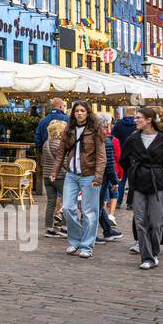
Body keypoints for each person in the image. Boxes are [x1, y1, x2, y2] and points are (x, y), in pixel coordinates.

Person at [121, 105, 163, 270]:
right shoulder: (133, 139)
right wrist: (134, 170)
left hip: (157, 183)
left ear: (149, 120)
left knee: (156, 221)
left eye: (138, 118)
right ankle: (146, 256)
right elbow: (123, 159)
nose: (135, 120)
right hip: (139, 182)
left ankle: (154, 251)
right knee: (140, 220)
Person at [54, 101, 107, 258]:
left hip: (89, 175)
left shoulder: (96, 130)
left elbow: (101, 156)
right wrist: (55, 171)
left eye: (82, 110)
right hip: (72, 174)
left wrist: (98, 176)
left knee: (90, 212)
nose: (79, 113)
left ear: (87, 113)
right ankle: (75, 240)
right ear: (73, 113)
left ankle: (86, 246)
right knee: (68, 208)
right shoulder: (69, 130)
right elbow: (61, 152)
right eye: (77, 111)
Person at [96, 113, 124, 241]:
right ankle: (99, 233)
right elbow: (110, 163)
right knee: (97, 206)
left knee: (96, 206)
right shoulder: (108, 141)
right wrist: (115, 181)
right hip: (101, 178)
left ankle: (107, 231)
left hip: (90, 176)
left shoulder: (89, 138)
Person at [41, 119, 68, 238]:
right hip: (59, 176)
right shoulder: (59, 144)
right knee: (67, 201)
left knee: (51, 202)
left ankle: (49, 228)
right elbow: (64, 162)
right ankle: (64, 227)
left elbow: (44, 161)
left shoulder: (46, 143)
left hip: (47, 176)